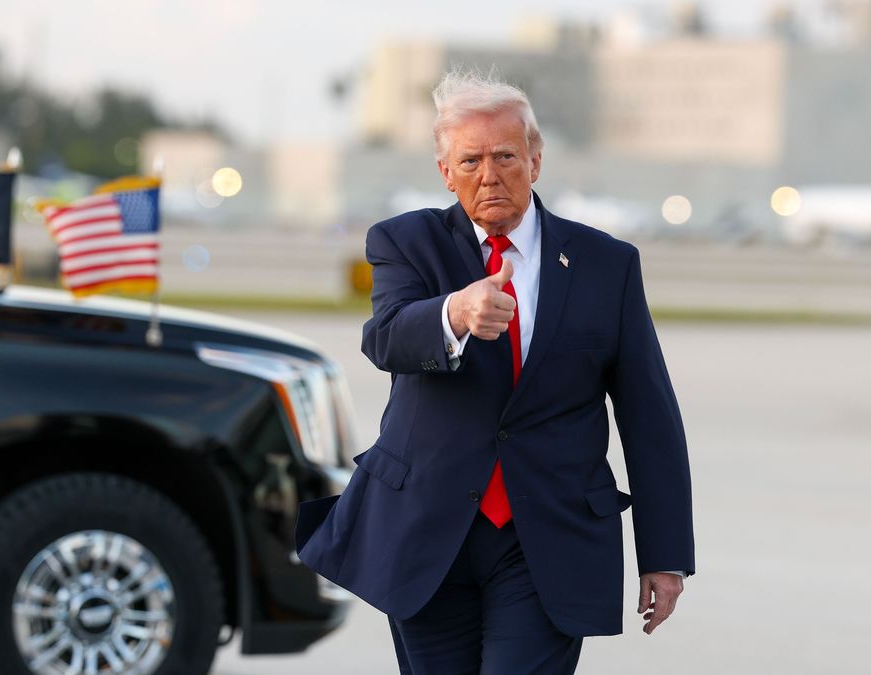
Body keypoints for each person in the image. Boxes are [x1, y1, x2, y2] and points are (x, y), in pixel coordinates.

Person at [296, 69, 694, 674]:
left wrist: (663, 554)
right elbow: (386, 338)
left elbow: (649, 414)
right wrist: (453, 313)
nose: (489, 174)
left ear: (535, 161)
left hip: (547, 536)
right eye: (471, 160)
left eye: (506, 155)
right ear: (445, 172)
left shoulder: (605, 264)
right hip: (428, 532)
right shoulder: (405, 243)